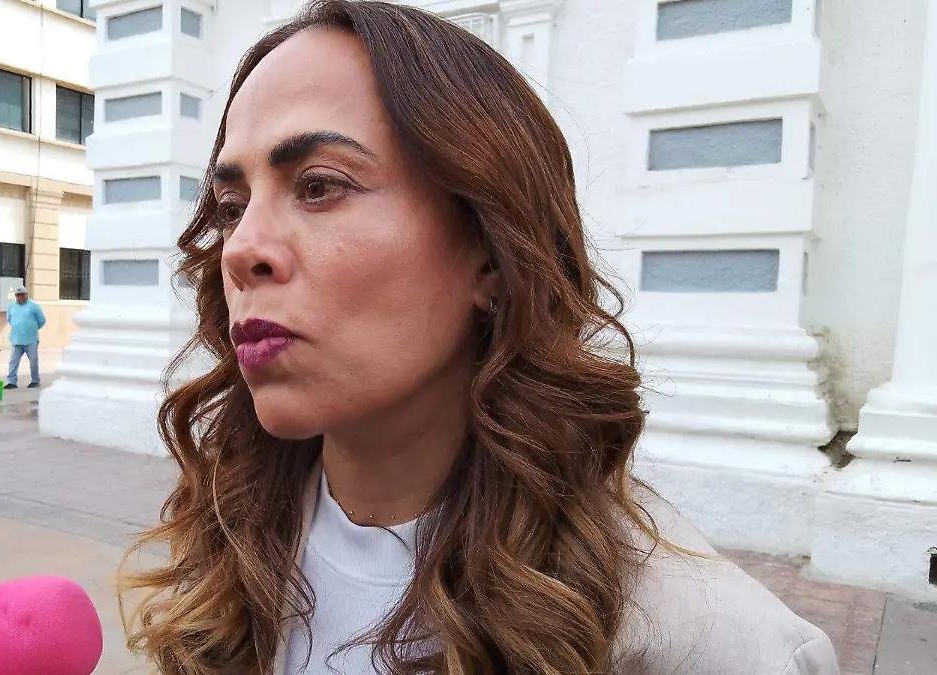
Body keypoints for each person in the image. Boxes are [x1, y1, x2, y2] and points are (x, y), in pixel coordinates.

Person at [118, 2, 839, 673]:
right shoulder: (225, 545)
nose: (242, 249)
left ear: (491, 253)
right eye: (232, 206)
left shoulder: (716, 644)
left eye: (319, 185)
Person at [4, 285, 45, 390]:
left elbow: (42, 320)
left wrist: (32, 328)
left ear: (26, 295)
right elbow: (9, 319)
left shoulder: (34, 306)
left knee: (33, 361)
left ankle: (35, 381)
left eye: (22, 295)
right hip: (16, 339)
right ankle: (11, 382)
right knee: (13, 361)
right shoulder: (12, 306)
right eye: (18, 295)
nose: (20, 297)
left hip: (31, 339)